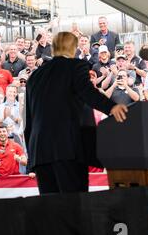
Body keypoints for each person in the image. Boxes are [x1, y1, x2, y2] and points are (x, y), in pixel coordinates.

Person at [24, 31, 128, 194]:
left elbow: (28, 123)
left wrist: (32, 159)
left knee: (51, 210)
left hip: (40, 153)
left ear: (53, 49)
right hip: (68, 149)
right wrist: (111, 107)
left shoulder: (35, 77)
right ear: (73, 48)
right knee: (74, 207)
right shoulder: (75, 66)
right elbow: (87, 92)